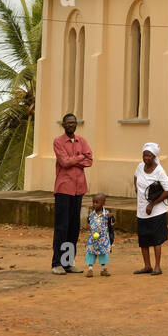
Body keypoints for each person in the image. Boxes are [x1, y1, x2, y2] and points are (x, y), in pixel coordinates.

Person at [51, 112, 92, 275]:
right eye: (68, 123)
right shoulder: (58, 141)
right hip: (64, 189)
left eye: (73, 122)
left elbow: (90, 160)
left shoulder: (82, 141)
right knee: (62, 227)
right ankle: (56, 263)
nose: (71, 125)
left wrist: (74, 158)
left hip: (79, 189)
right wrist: (79, 157)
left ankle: (68, 262)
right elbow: (64, 162)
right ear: (63, 125)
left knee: (74, 228)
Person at [133, 142, 168, 276]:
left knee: (156, 239)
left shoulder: (159, 171)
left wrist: (152, 204)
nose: (146, 158)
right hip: (141, 209)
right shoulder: (139, 167)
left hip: (157, 210)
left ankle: (157, 266)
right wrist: (136, 190)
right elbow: (135, 177)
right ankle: (147, 266)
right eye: (144, 155)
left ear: (154, 156)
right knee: (143, 238)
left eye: (149, 156)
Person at [84, 193, 114, 277]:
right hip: (92, 240)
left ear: (103, 203)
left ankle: (103, 269)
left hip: (103, 240)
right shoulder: (91, 215)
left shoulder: (106, 214)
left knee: (103, 253)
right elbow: (88, 223)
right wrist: (88, 226)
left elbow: (112, 224)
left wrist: (112, 217)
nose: (94, 204)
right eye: (93, 202)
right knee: (91, 253)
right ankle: (90, 269)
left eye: (97, 202)